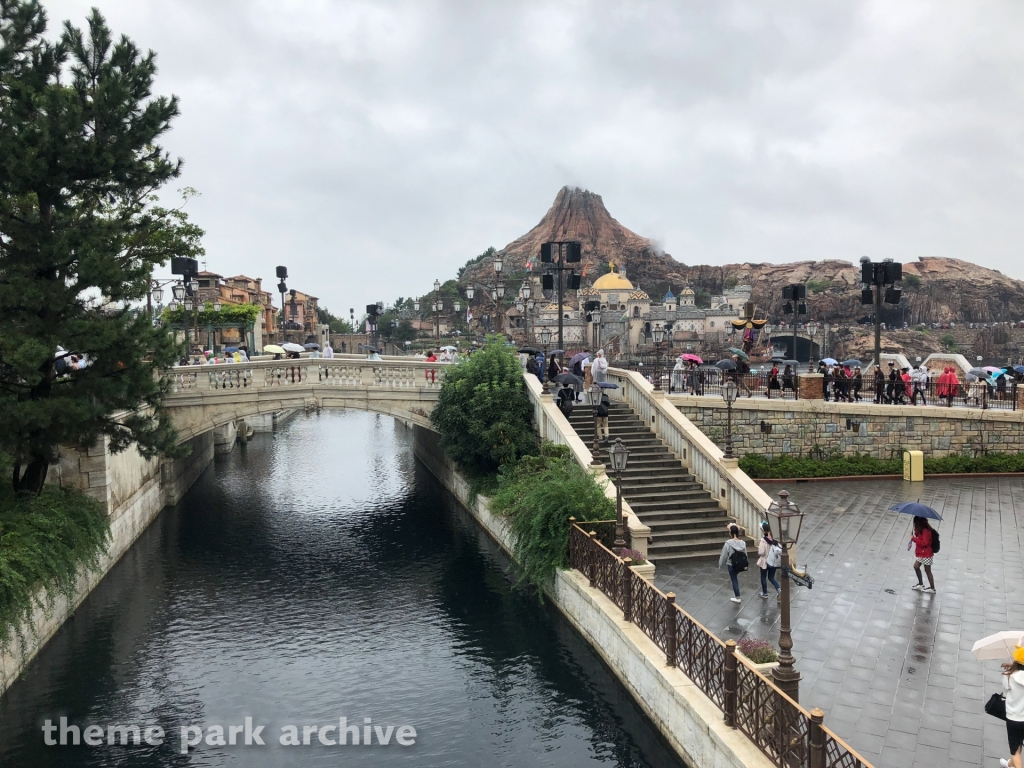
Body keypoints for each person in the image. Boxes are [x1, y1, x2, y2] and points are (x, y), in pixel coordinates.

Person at [1000, 647, 1024, 768]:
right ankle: (1010, 764)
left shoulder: (1008, 676)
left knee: (1014, 749)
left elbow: (1005, 693)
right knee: (1019, 742)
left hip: (1013, 717)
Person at [719, 524, 747, 603]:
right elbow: (745, 554)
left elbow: (724, 555)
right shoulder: (743, 543)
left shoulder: (728, 543)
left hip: (731, 564)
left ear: (730, 533)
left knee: (734, 580)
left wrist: (720, 565)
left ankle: (737, 597)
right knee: (735, 578)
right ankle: (737, 596)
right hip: (740, 564)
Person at [909, 515, 936, 593]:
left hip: (926, 554)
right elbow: (919, 536)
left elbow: (924, 543)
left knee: (928, 571)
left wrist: (913, 539)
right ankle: (920, 584)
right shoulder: (922, 529)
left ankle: (932, 588)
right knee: (916, 566)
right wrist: (915, 531)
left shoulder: (925, 531)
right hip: (922, 553)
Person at [757, 521, 782, 599]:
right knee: (771, 577)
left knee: (763, 577)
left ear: (764, 531)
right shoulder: (775, 540)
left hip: (764, 562)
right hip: (773, 562)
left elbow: (761, 552)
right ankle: (778, 589)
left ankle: (765, 593)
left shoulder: (763, 540)